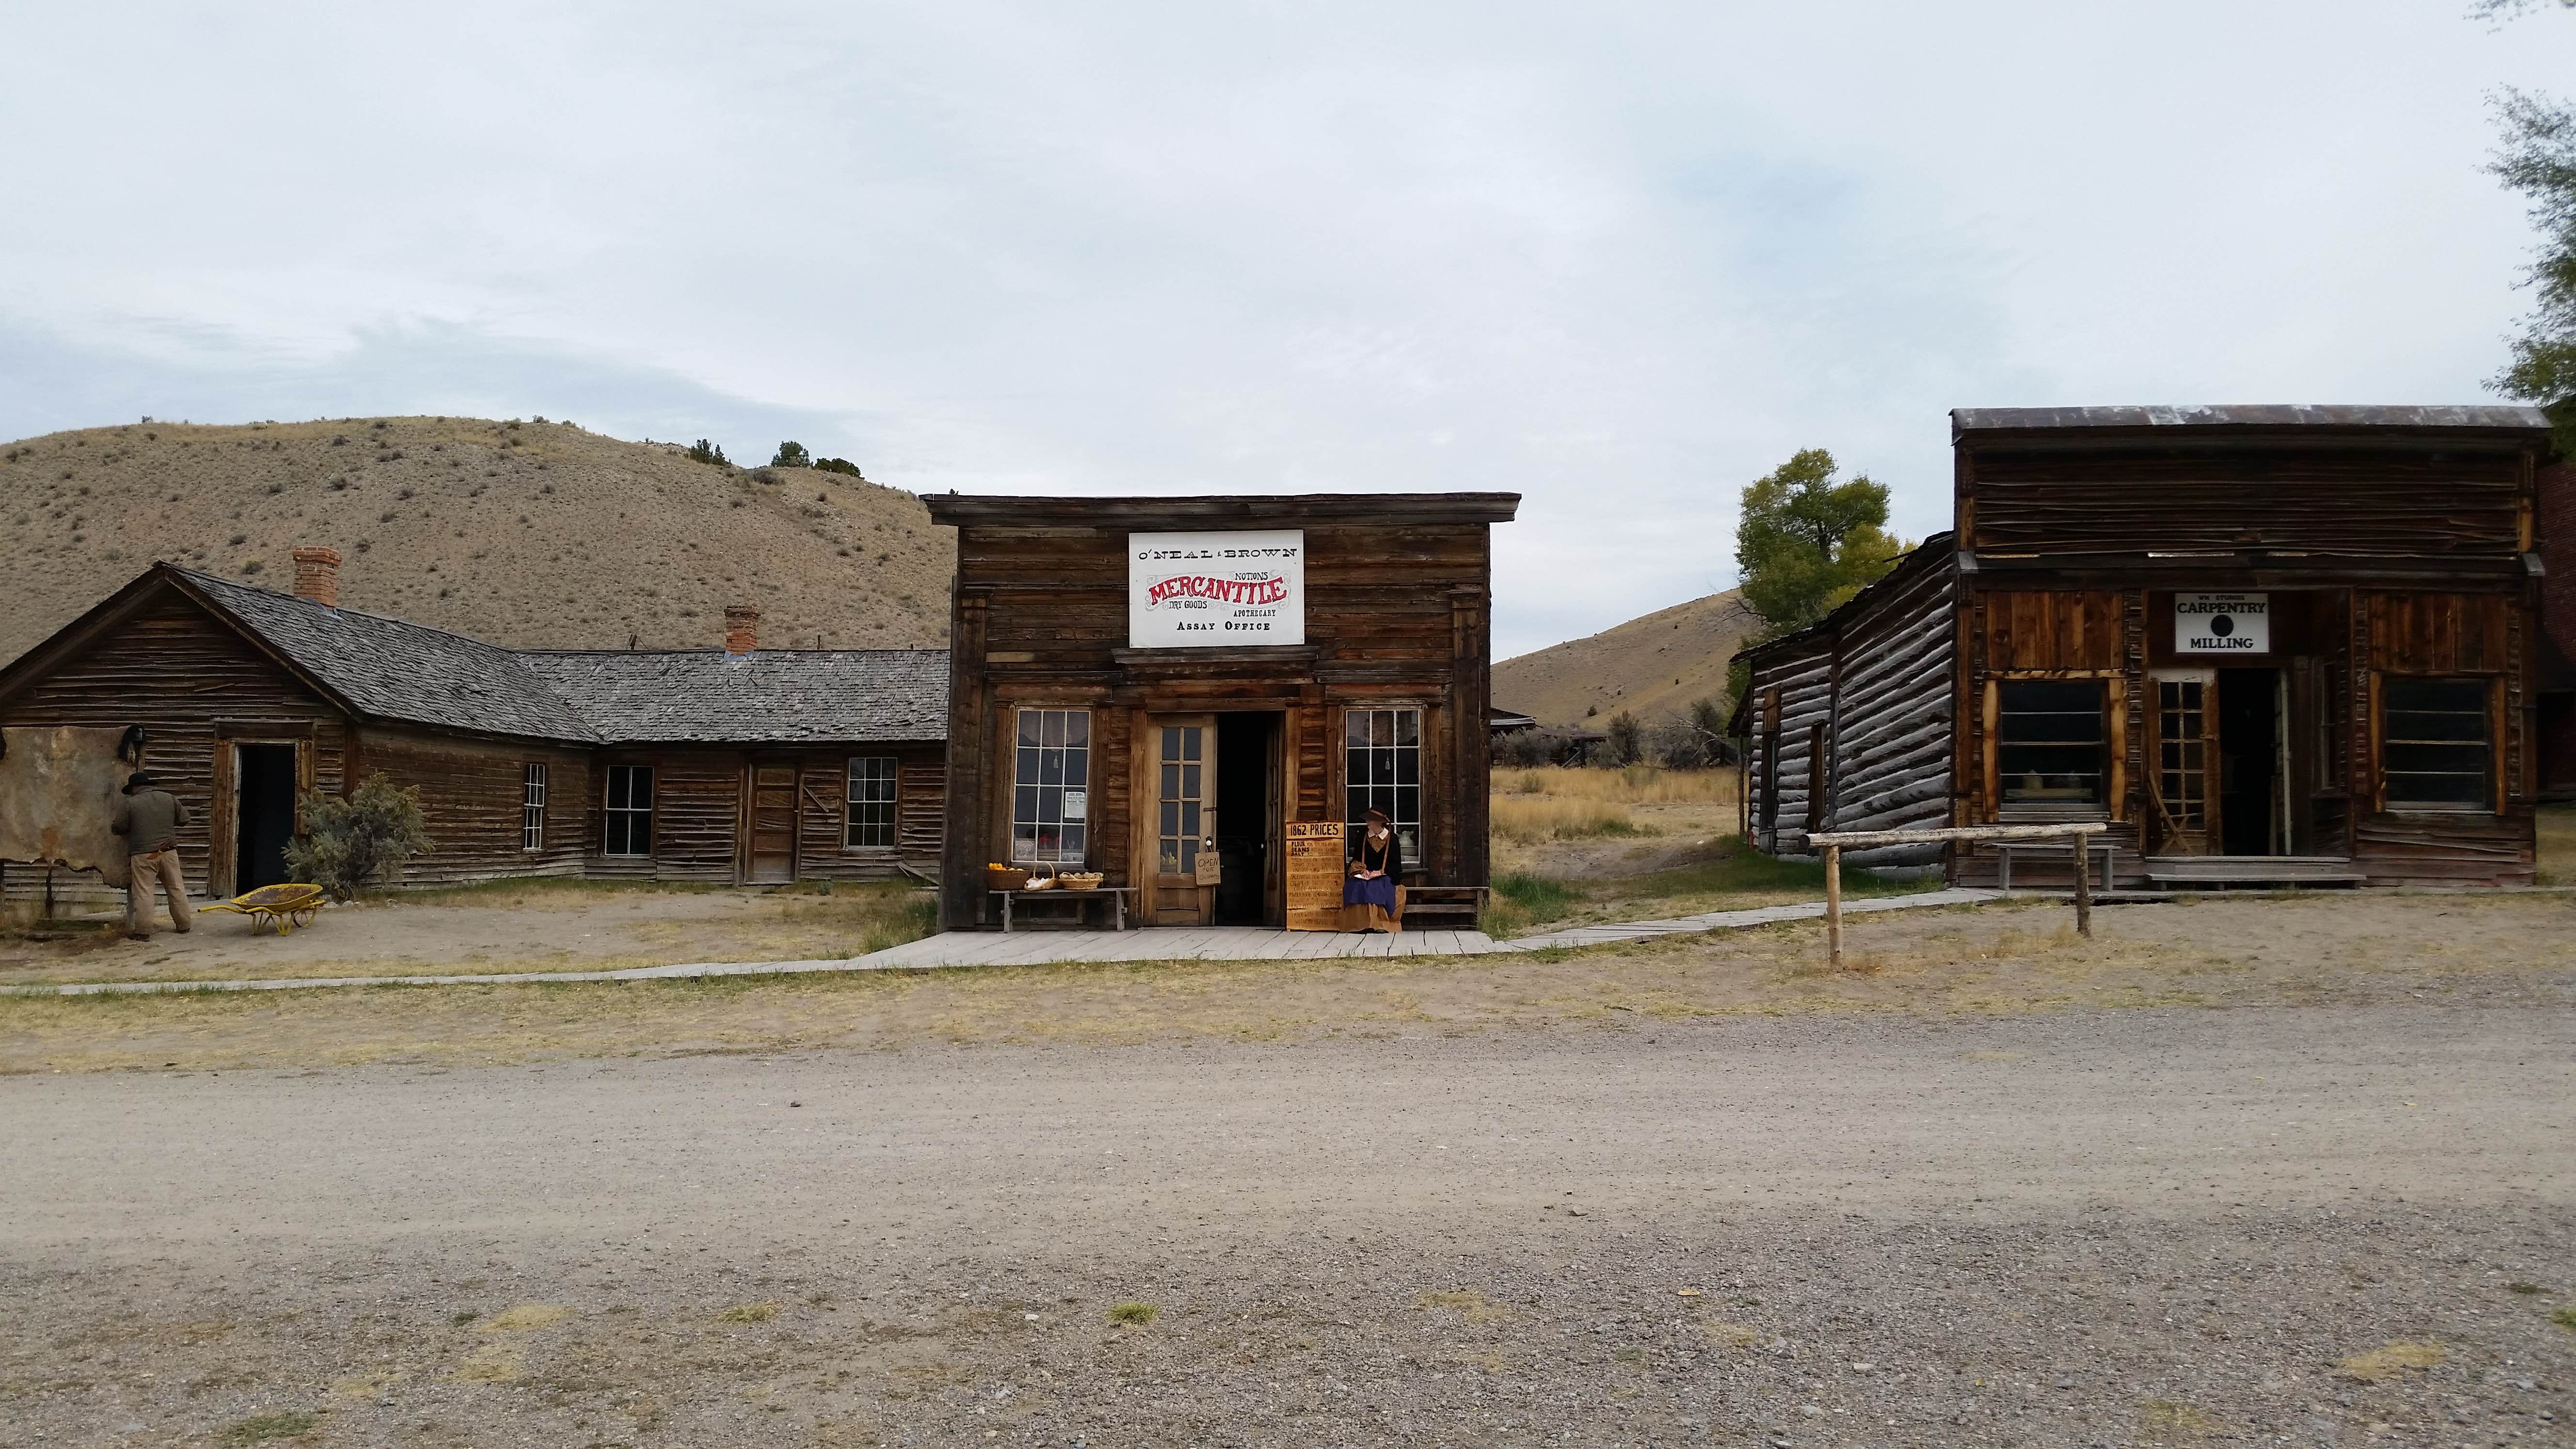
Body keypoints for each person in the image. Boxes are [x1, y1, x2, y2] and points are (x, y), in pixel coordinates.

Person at [112, 772, 193, 940]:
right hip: (168, 851)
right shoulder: (169, 799)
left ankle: (143, 931)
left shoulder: (131, 804)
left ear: (134, 787)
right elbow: (185, 819)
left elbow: (119, 827)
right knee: (176, 888)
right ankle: (184, 925)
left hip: (143, 854)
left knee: (144, 892)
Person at [1342, 807, 1403, 933]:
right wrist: (1362, 870)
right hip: (1365, 874)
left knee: (1377, 885)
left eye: (1370, 820)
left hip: (1385, 875)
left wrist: (1381, 872)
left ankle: (1380, 924)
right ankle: (1360, 924)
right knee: (1357, 884)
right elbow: (1357, 858)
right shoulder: (1362, 836)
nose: (1367, 823)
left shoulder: (1392, 839)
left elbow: (1396, 865)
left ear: (1379, 822)